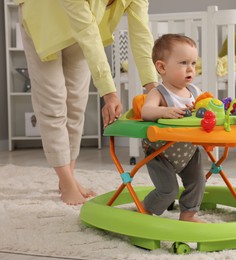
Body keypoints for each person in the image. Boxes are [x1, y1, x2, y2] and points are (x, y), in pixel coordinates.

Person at [16, 0, 158, 205]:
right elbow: (88, 34)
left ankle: (68, 177)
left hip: (82, 29)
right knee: (53, 103)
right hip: (44, 18)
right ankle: (66, 183)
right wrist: (109, 93)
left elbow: (142, 35)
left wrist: (154, 89)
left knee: (76, 103)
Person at [141, 34, 206, 223]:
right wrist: (164, 111)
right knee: (168, 190)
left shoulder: (195, 92)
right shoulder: (158, 92)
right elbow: (146, 111)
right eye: (184, 62)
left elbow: (207, 107)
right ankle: (145, 210)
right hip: (160, 152)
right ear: (162, 67)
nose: (190, 69)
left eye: (193, 63)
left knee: (197, 183)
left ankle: (188, 215)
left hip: (188, 149)